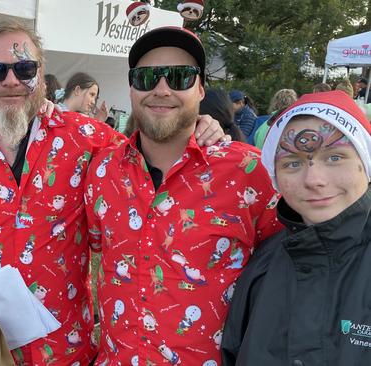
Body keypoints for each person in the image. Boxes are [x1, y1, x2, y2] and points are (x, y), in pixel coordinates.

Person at [0, 21, 227, 365]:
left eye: (24, 68)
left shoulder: (89, 139)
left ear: (41, 74)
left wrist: (200, 127)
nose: (11, 81)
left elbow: (153, 147)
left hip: (62, 350)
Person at [84, 26, 281, 365]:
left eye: (179, 77)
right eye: (147, 78)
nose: (162, 90)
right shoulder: (102, 171)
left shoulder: (249, 171)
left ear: (201, 89)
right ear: (131, 88)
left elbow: (288, 270)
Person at [221, 90, 371, 365]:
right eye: (292, 163)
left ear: (366, 161)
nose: (314, 179)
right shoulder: (262, 265)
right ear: (275, 175)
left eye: (335, 158)